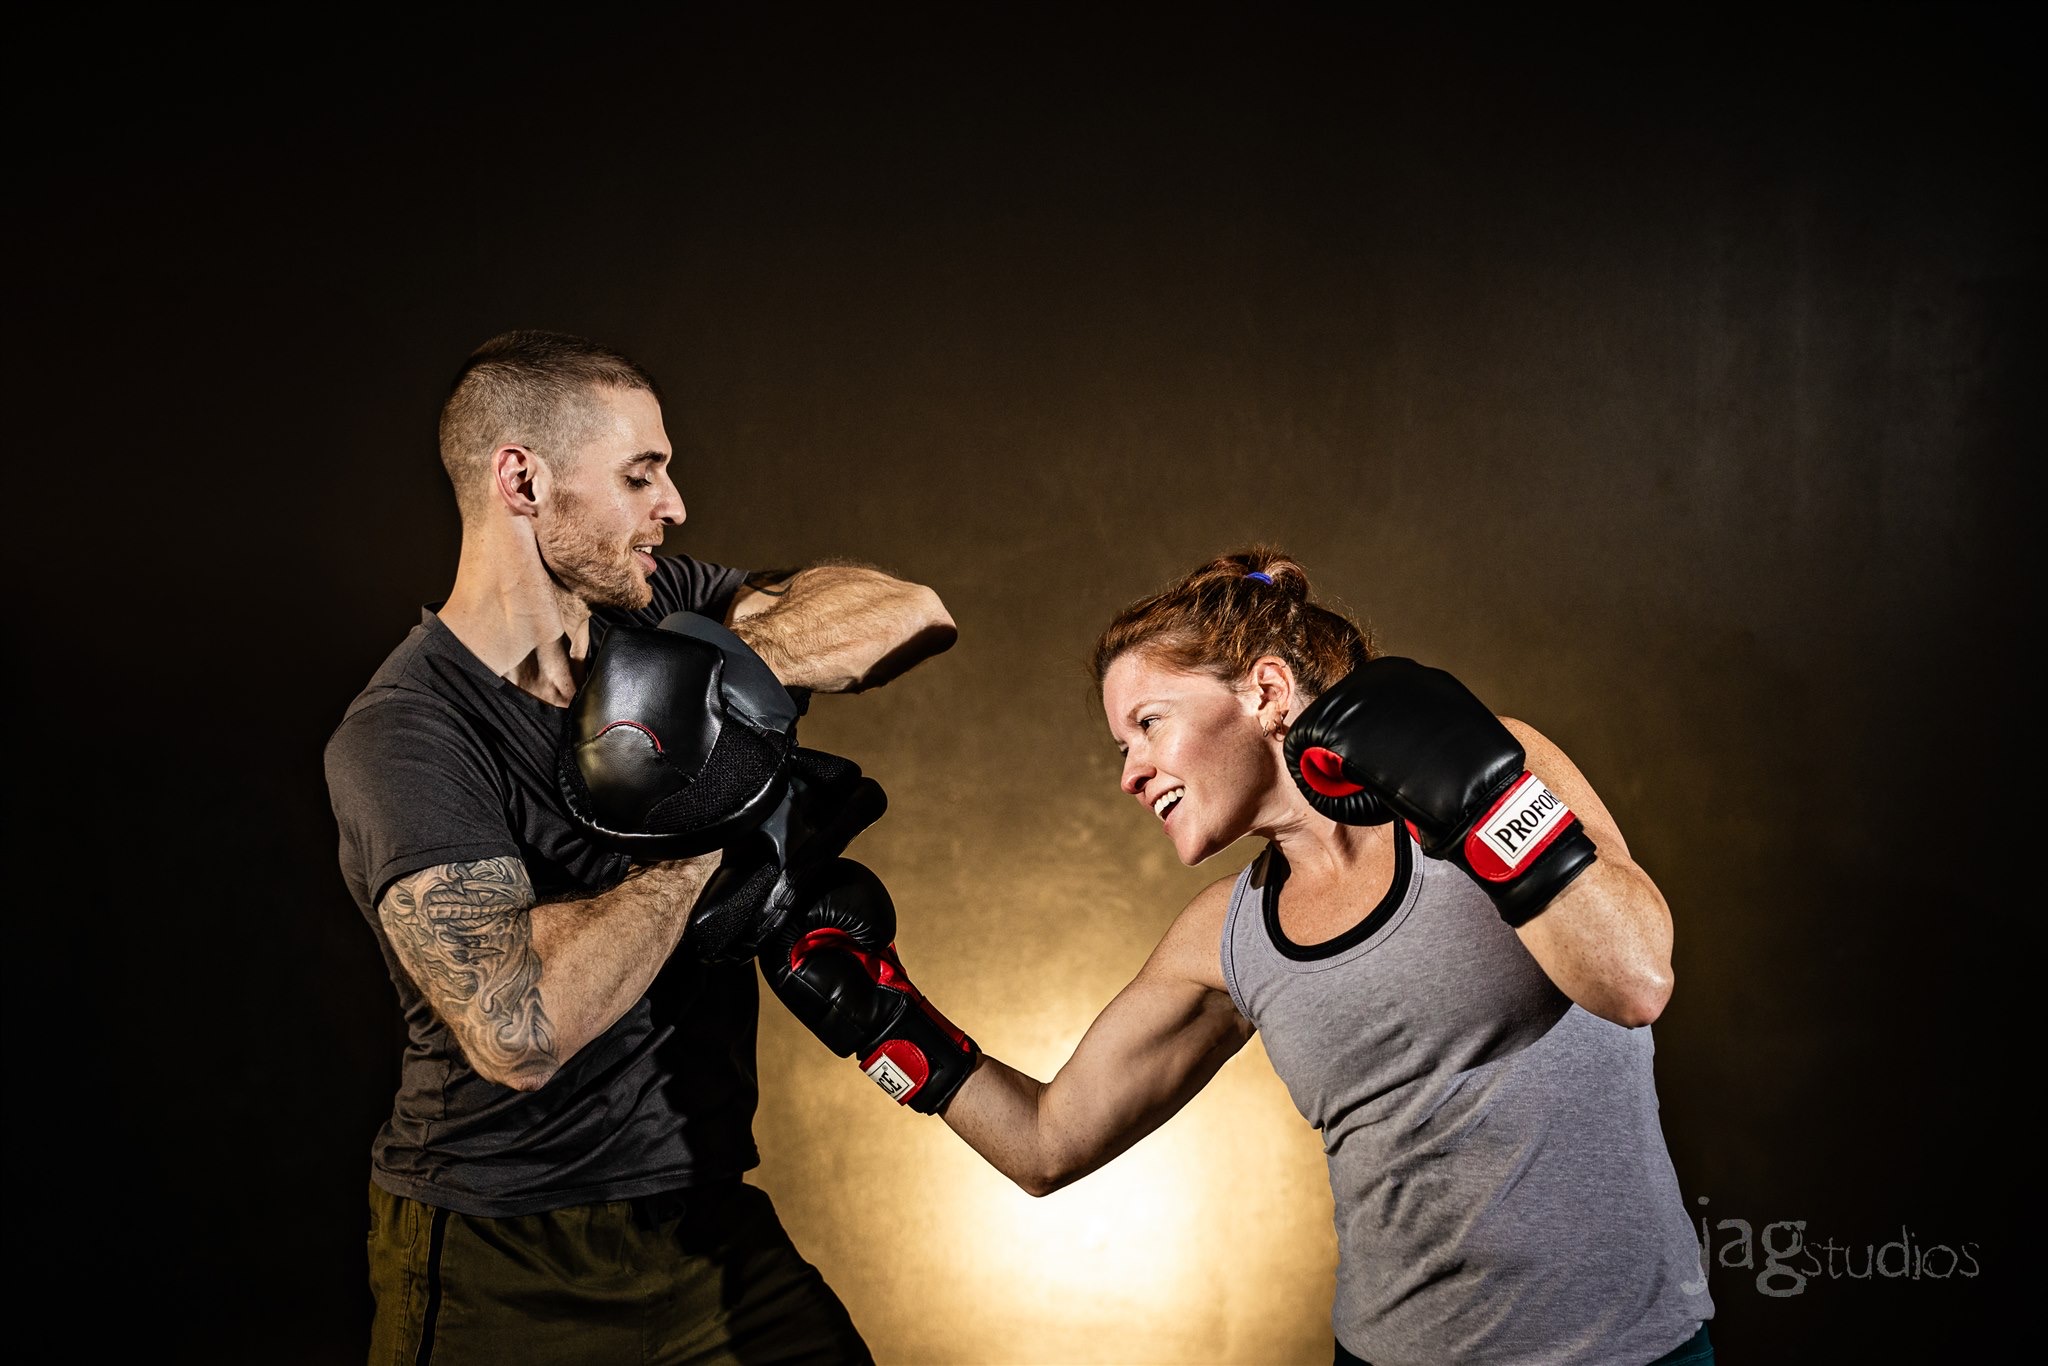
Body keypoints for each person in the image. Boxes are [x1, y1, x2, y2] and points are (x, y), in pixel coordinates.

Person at [762, 546, 1714, 1366]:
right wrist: (884, 1026)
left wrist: (1477, 795)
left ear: (1264, 691)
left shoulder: (1490, 763)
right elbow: (1045, 1145)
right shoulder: (1228, 936)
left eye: (1149, 723)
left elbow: (1632, 979)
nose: (1129, 772)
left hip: (1631, 1351)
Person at [321, 328, 955, 1365]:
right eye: (640, 475)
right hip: (499, 1250)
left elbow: (911, 615)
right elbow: (516, 1027)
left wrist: (731, 676)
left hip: (702, 1218)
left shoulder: (658, 609)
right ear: (522, 479)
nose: (675, 506)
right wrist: (716, 816)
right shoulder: (407, 731)